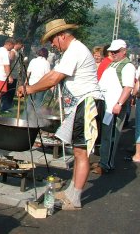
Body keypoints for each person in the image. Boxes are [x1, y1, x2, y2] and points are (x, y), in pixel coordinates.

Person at [17, 19, 104, 210]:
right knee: (78, 151)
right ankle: (72, 191)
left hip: (87, 104)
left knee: (81, 153)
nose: (53, 45)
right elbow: (52, 75)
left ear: (61, 35)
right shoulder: (71, 52)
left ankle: (75, 198)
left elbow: (54, 79)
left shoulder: (75, 50)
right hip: (81, 105)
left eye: (53, 41)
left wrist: (30, 89)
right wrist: (29, 86)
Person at [93, 39, 136, 174]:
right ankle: (103, 160)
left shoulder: (127, 66)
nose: (113, 53)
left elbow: (128, 87)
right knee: (106, 135)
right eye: (112, 51)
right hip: (106, 105)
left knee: (111, 136)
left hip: (114, 106)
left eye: (116, 51)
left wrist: (119, 103)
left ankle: (107, 164)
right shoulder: (113, 64)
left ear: (124, 51)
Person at [22, 47, 51, 119]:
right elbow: (47, 75)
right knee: (38, 104)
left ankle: (24, 119)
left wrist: (26, 82)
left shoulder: (33, 61)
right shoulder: (46, 63)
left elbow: (28, 73)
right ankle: (36, 120)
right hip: (41, 86)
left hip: (31, 85)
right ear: (46, 55)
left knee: (29, 103)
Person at [0, 39, 24, 113]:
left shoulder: (18, 52)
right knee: (8, 91)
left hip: (15, 74)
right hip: (12, 75)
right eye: (21, 45)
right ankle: (4, 107)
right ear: (18, 44)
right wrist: (9, 75)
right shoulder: (13, 52)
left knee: (12, 92)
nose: (22, 46)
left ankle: (8, 106)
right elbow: (9, 64)